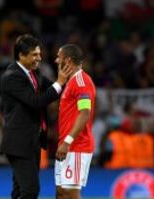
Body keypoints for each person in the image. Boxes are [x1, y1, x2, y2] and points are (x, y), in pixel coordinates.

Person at [0, 33, 70, 199]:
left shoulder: (34, 73)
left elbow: (55, 89)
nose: (39, 58)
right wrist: (59, 83)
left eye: (39, 53)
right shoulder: (12, 77)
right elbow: (36, 102)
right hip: (19, 143)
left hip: (32, 142)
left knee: (20, 191)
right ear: (21, 55)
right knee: (30, 190)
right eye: (34, 55)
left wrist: (69, 78)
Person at [54, 44, 96, 199]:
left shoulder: (81, 82)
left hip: (76, 146)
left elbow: (85, 113)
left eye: (59, 57)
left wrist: (67, 142)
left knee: (70, 194)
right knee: (60, 193)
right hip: (66, 146)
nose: (56, 60)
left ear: (68, 60)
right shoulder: (70, 82)